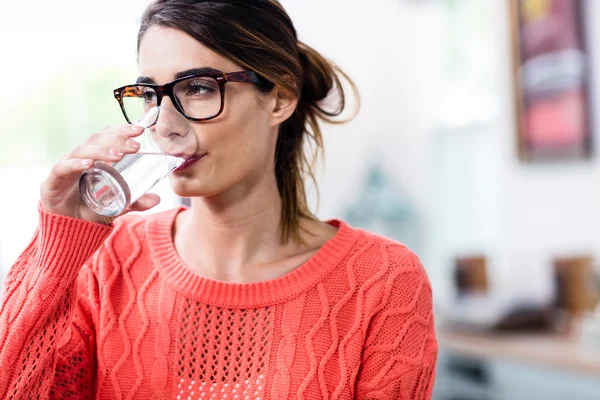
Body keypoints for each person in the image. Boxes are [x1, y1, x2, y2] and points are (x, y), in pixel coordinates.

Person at [0, 0, 437, 398]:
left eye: (199, 88)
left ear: (280, 98)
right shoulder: (110, 258)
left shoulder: (382, 280)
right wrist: (58, 247)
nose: (165, 125)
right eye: (152, 95)